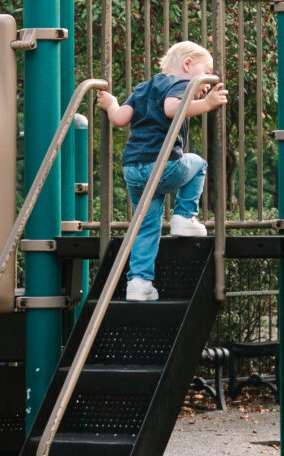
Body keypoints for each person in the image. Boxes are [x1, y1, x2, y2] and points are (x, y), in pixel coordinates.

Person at [94, 41, 226, 302]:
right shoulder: (179, 83)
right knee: (198, 163)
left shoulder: (144, 88)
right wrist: (208, 104)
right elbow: (172, 109)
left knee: (146, 225)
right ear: (188, 65)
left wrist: (110, 103)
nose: (209, 82)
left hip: (133, 169)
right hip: (161, 164)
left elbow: (120, 118)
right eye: (207, 71)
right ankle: (184, 217)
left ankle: (139, 283)